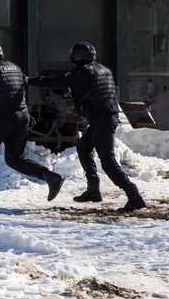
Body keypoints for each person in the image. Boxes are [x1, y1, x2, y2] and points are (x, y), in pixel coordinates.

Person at [28, 42, 146, 212]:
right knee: (83, 147)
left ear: (76, 58)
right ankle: (93, 190)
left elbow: (57, 81)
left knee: (109, 163)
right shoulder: (103, 70)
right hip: (105, 117)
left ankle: (135, 197)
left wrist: (29, 80)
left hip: (102, 120)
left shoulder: (81, 73)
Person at [0, 41, 64, 206]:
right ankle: (50, 177)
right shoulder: (14, 67)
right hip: (21, 116)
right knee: (14, 158)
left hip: (4, 117)